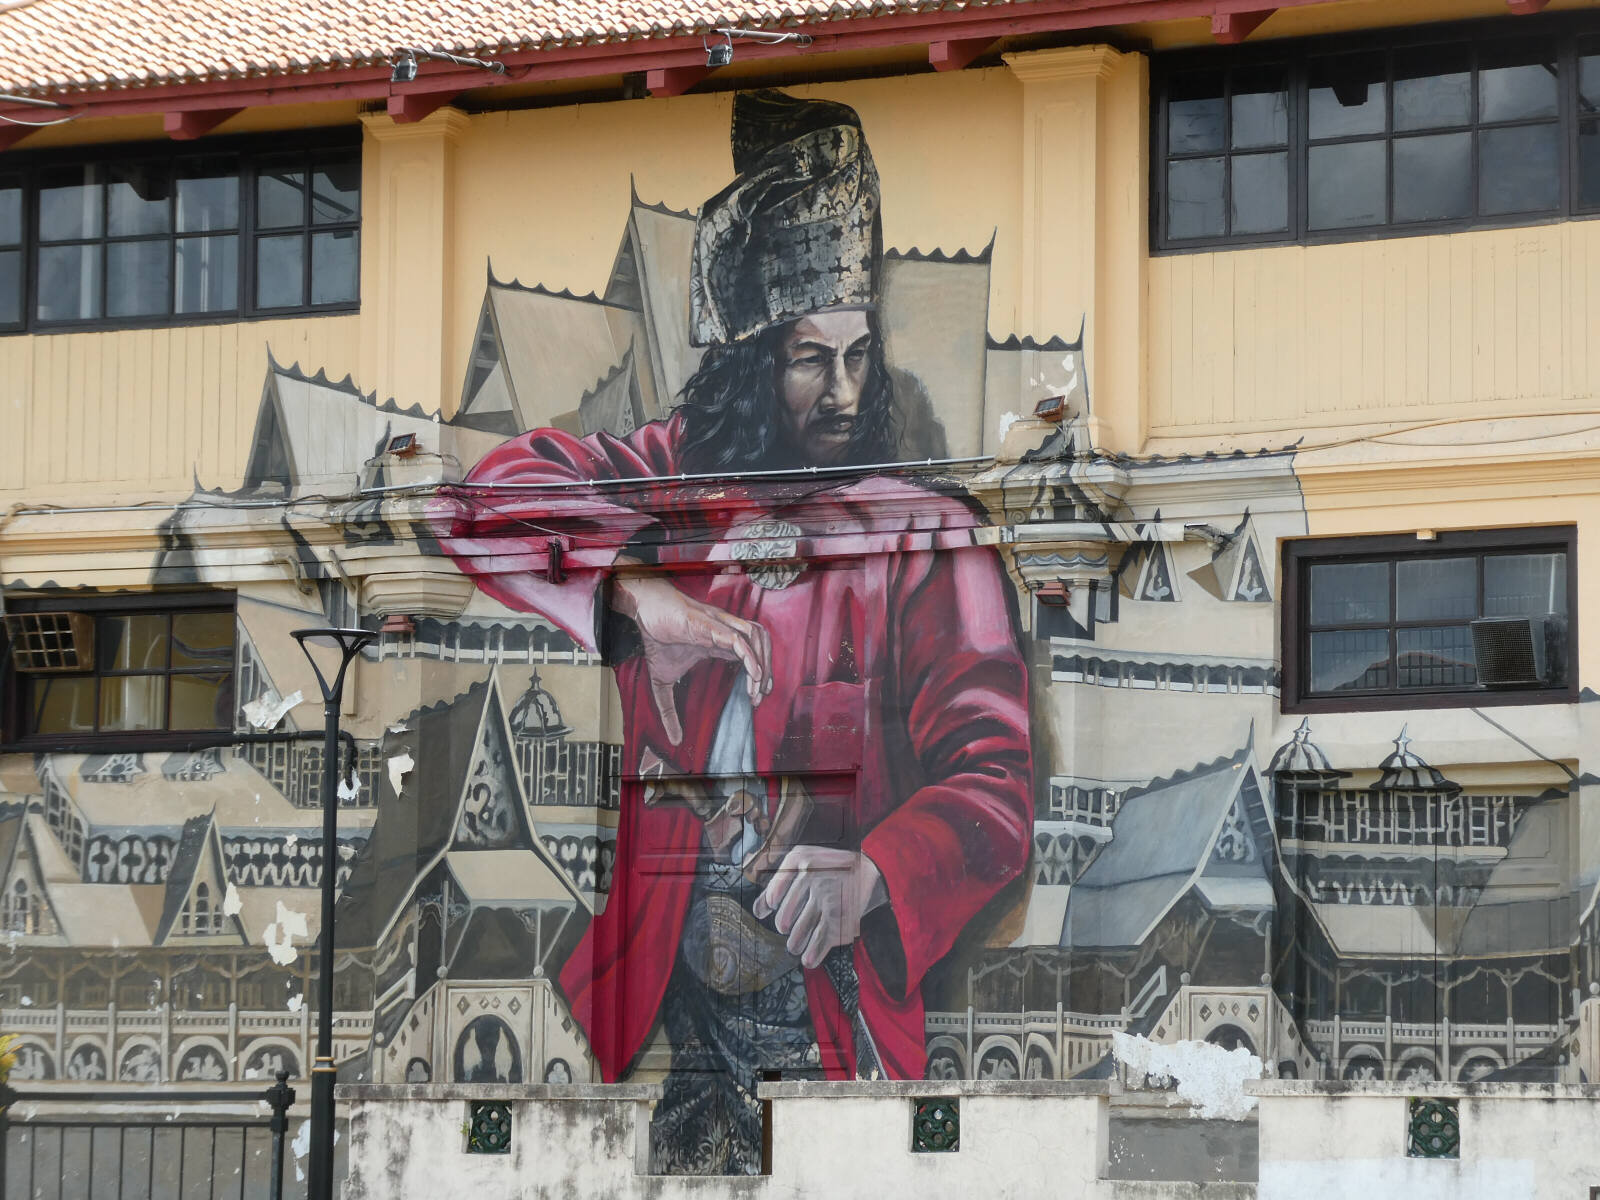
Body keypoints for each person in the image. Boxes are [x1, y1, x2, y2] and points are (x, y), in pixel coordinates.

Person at [436, 89, 1032, 1174]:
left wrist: (875, 877)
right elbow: (478, 503)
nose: (845, 390)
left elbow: (993, 785)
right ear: (749, 362)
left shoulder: (929, 537)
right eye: (811, 358)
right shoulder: (666, 484)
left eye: (860, 356)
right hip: (669, 1016)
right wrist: (630, 590)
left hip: (831, 1009)